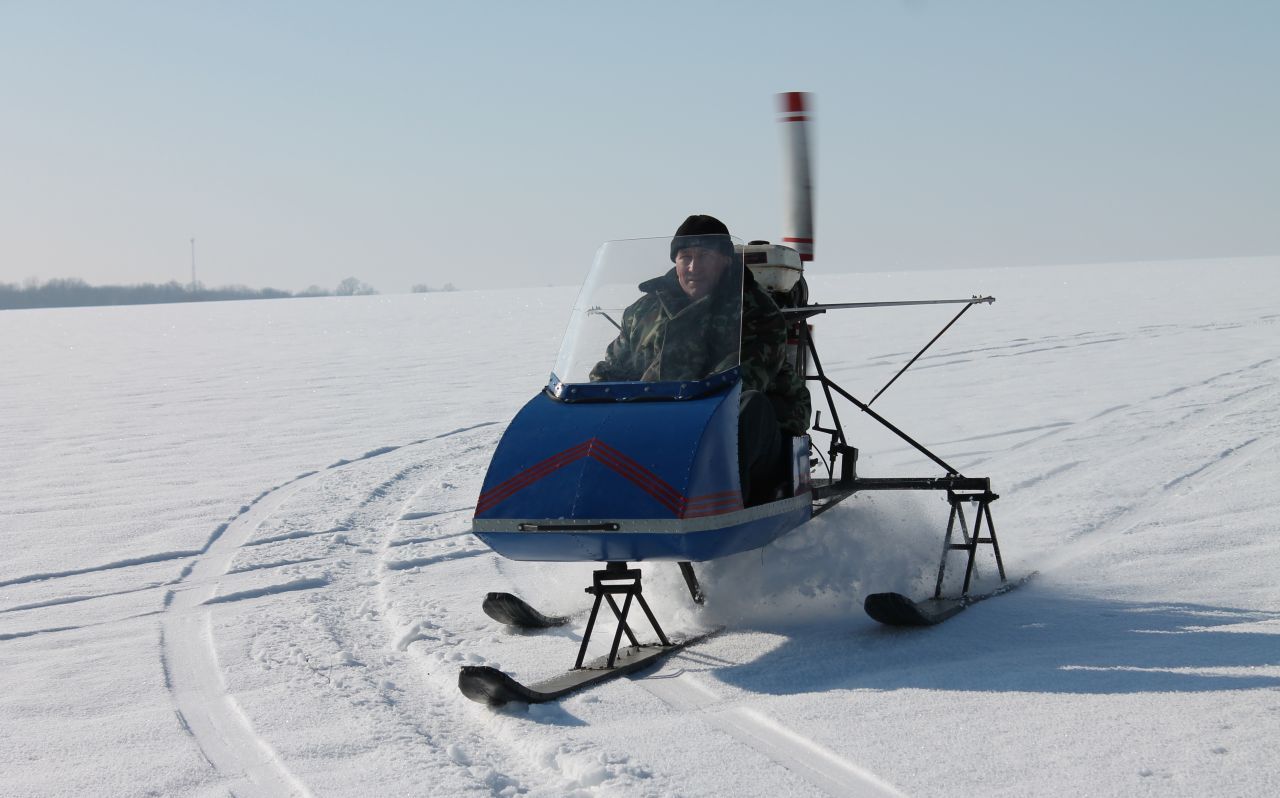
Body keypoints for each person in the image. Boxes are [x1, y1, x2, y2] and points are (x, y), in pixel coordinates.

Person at [590, 214, 811, 504]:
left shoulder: (755, 311)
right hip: (655, 421)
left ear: (726, 261)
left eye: (704, 256)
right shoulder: (643, 312)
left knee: (747, 407)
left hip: (738, 429)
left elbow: (746, 377)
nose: (693, 267)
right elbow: (613, 368)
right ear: (675, 262)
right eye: (685, 257)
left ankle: (719, 507)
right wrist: (601, 396)